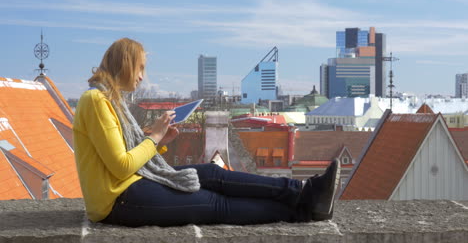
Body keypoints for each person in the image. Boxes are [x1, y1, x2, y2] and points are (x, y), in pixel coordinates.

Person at [73, 38, 341, 227]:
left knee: (212, 173)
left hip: (132, 184)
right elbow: (120, 166)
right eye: (140, 68)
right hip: (117, 199)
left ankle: (303, 190)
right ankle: (304, 210)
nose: (142, 76)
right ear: (124, 64)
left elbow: (123, 154)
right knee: (215, 203)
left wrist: (157, 140)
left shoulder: (110, 99)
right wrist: (153, 137)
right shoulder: (96, 100)